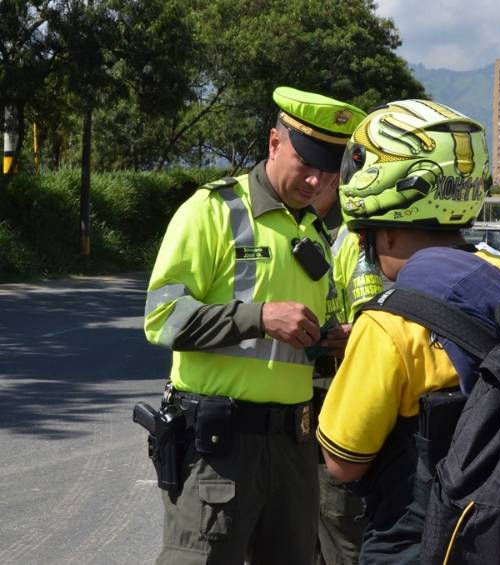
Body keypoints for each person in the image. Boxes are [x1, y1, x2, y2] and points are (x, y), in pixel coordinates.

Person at [316, 100, 500, 564]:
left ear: (387, 233)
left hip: (430, 544)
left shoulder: (389, 323)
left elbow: (343, 463)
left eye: (366, 237)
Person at [143, 86, 364, 565]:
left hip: (293, 447)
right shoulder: (212, 211)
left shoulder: (314, 232)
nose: (316, 181)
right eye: (306, 163)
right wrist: (259, 316)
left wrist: (329, 341)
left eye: (328, 170)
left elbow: (297, 344)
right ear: (274, 143)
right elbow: (162, 318)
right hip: (219, 448)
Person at [310, 156, 384, 565]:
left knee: (340, 524)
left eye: (321, 172)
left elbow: (371, 316)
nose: (310, 181)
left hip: (335, 399)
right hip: (284, 406)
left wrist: (356, 332)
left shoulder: (351, 237)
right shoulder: (283, 226)